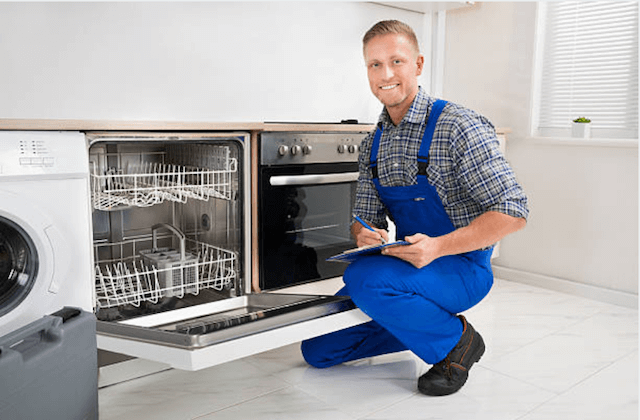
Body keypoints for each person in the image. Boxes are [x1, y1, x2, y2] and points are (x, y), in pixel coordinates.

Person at [301, 20, 529, 396]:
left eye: (397, 61)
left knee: (365, 280)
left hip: (462, 268)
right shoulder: (373, 144)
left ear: (418, 65)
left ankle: (457, 343)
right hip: (410, 267)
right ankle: (420, 324)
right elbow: (364, 219)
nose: (385, 74)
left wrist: (437, 246)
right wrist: (364, 233)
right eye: (375, 65)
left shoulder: (457, 125)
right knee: (319, 349)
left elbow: (514, 211)